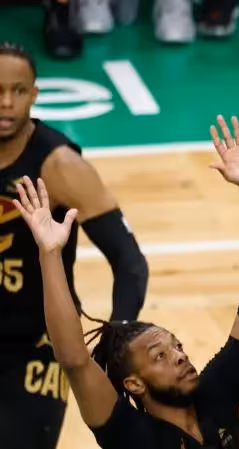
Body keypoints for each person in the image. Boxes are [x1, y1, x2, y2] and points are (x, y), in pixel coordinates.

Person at [10, 115, 239, 449]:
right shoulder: (130, 435)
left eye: (177, 346)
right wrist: (50, 254)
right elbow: (75, 360)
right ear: (134, 384)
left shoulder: (216, 396)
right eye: (159, 356)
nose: (179, 356)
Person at [0, 42, 149, 449]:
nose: (6, 103)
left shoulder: (60, 166)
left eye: (18, 91)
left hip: (36, 347)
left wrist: (118, 336)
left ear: (34, 94)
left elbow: (129, 261)